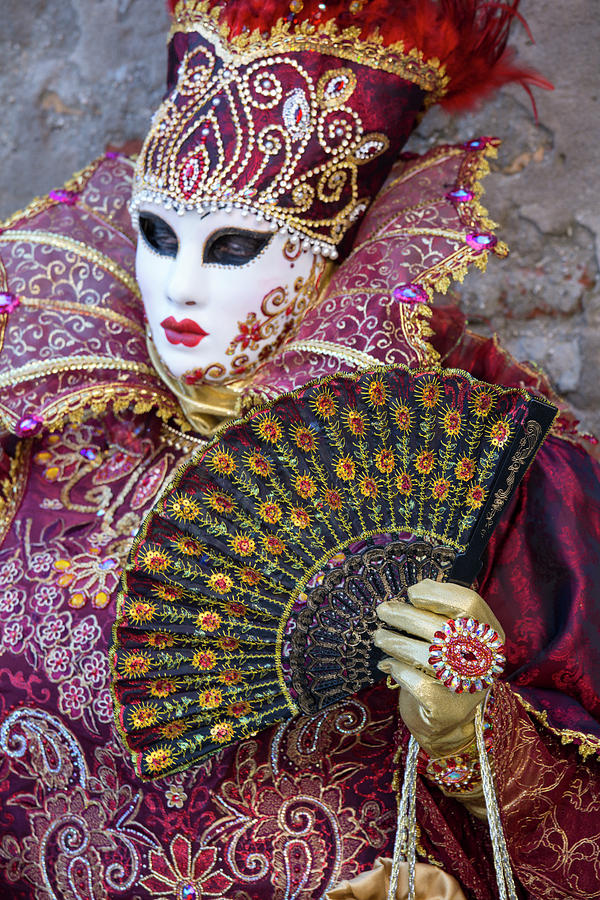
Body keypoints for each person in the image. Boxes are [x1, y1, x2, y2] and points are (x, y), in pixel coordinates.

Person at [0, 1, 599, 898]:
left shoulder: (492, 457)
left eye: (235, 245)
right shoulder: (51, 429)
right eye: (159, 235)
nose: (182, 284)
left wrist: (470, 732)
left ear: (333, 253)